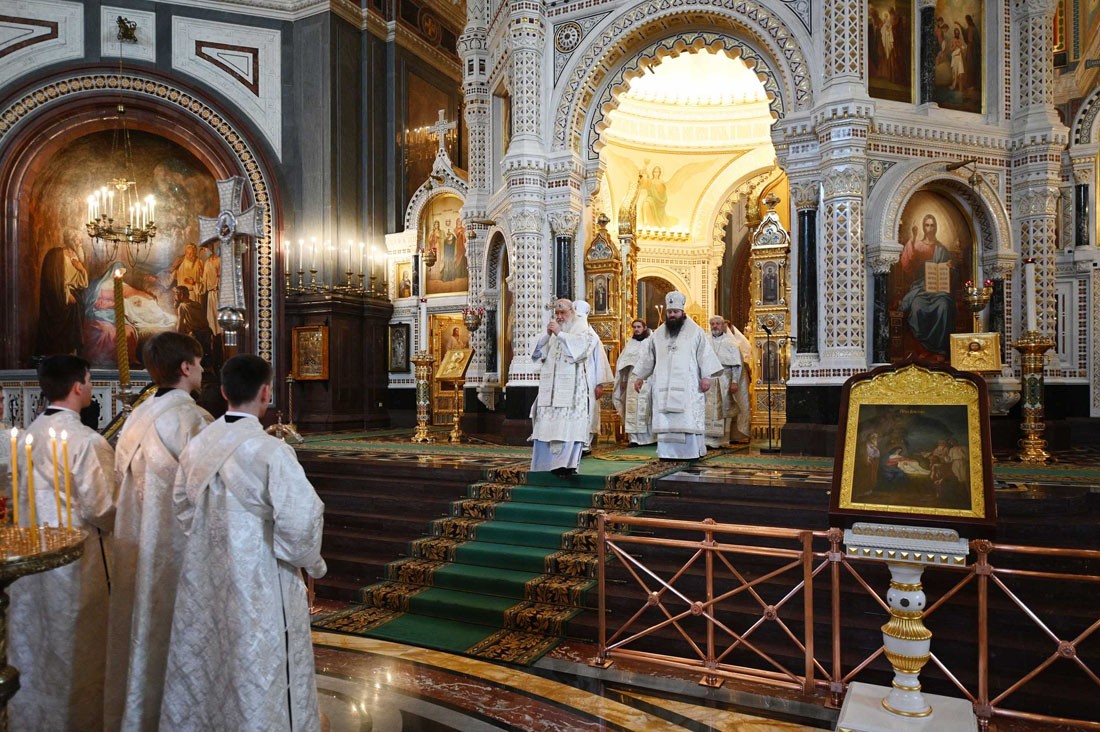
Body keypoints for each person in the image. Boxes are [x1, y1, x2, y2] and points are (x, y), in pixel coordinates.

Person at [159, 355, 326, 731]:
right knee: (259, 661)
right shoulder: (271, 451)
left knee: (212, 659)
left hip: (205, 577)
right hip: (261, 580)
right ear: (266, 393)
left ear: (222, 392)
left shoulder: (199, 445)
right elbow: (300, 523)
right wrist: (311, 565)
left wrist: (208, 547)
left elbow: (182, 509)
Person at [105, 332, 212, 732]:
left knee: (143, 631)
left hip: (137, 542)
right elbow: (210, 491)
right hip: (178, 548)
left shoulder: (135, 417)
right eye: (199, 363)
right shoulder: (193, 419)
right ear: (186, 367)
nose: (202, 370)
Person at [9, 355, 116, 732]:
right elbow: (104, 509)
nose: (89, 386)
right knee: (78, 651)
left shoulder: (26, 435)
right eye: (88, 380)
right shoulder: (88, 442)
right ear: (78, 386)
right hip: (76, 563)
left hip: (29, 559)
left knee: (35, 643)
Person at [631, 292, 723, 460]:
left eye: (675, 312)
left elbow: (704, 355)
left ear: (682, 312)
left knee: (686, 418)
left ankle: (690, 452)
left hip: (688, 385)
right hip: (663, 385)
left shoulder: (696, 331)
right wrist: (640, 377)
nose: (672, 315)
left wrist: (706, 377)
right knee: (666, 419)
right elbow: (649, 357)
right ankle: (667, 452)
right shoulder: (658, 334)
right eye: (669, 312)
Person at [528, 299, 596, 476]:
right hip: (549, 390)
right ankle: (544, 465)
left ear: (572, 311)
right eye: (556, 314)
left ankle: (565, 465)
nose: (559, 317)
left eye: (562, 313)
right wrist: (546, 336)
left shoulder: (583, 329)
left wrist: (561, 334)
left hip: (571, 390)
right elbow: (536, 356)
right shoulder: (553, 332)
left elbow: (580, 352)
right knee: (547, 424)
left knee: (568, 426)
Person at [898, 214, 957, 357]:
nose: (929, 229)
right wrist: (912, 238)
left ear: (936, 228)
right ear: (923, 227)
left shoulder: (941, 249)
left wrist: (950, 267)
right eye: (927, 225)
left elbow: (953, 272)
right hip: (921, 288)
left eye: (932, 225)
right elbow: (906, 265)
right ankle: (921, 349)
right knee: (917, 307)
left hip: (939, 290)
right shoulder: (916, 245)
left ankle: (940, 350)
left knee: (944, 306)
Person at [36, 233, 88, 356]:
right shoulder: (57, 255)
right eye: (77, 239)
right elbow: (55, 279)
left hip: (74, 295)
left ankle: (72, 352)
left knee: (78, 308)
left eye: (80, 240)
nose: (80, 242)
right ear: (70, 240)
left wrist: (81, 269)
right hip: (59, 297)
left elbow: (81, 283)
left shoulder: (75, 256)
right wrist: (66, 294)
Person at [573, 300, 613, 453]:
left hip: (588, 379)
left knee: (588, 409)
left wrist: (599, 384)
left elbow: (600, 361)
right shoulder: (567, 333)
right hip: (572, 380)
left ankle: (585, 443)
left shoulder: (592, 336)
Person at [613, 319, 655, 446]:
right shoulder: (630, 343)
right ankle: (634, 438)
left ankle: (650, 438)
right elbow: (623, 363)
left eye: (639, 327)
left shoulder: (651, 342)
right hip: (632, 377)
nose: (636, 329)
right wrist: (624, 380)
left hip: (648, 378)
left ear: (644, 327)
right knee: (632, 407)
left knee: (647, 407)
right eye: (634, 327)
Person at [704, 317, 743, 449]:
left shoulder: (731, 342)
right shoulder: (705, 341)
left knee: (724, 408)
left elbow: (736, 365)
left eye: (718, 324)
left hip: (724, 380)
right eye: (712, 324)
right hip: (708, 380)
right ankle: (707, 439)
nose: (715, 326)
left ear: (723, 326)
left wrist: (734, 381)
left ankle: (723, 439)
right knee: (707, 409)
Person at [726, 322, 753, 443]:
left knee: (739, 402)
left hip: (740, 376)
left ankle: (739, 433)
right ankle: (727, 435)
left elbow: (747, 358)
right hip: (724, 378)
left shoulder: (741, 342)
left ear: (732, 327)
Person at [201, 244, 222, 335]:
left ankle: (222, 336)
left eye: (206, 249)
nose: (205, 252)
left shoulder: (219, 260)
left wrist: (219, 275)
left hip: (219, 292)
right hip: (210, 293)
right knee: (212, 318)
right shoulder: (207, 263)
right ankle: (214, 336)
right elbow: (204, 280)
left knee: (219, 316)